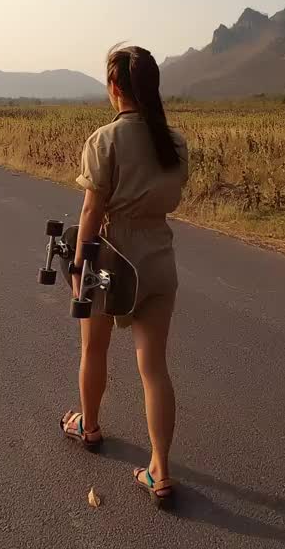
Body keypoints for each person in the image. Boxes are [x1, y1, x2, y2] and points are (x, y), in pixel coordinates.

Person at [61, 44, 189, 508]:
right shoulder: (174, 142)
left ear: (115, 87)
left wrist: (79, 264)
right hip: (159, 256)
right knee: (153, 367)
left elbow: (92, 210)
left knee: (94, 346)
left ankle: (88, 425)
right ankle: (160, 470)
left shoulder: (104, 140)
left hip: (111, 258)